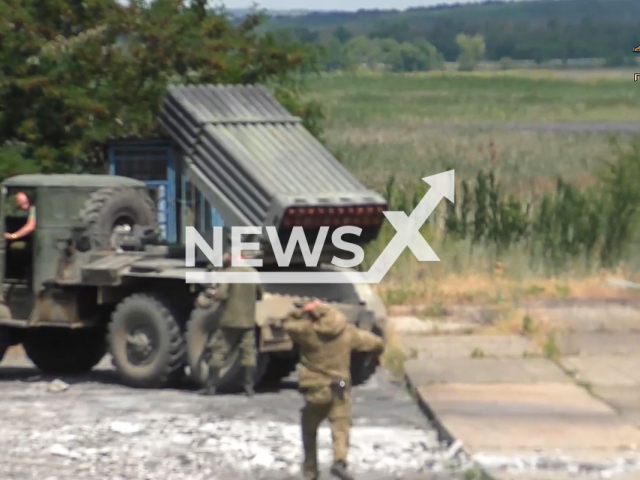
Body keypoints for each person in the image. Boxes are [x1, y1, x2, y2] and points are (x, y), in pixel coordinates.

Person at [282, 299, 385, 480]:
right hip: (340, 384)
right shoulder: (348, 333)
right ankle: (340, 461)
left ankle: (311, 469)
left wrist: (302, 311)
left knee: (309, 427)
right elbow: (377, 343)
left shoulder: (308, 332)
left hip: (316, 387)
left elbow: (287, 324)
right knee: (341, 423)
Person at [199, 251, 263, 397]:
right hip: (248, 321)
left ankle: (211, 387)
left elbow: (222, 295)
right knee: (249, 354)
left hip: (229, 321)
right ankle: (249, 389)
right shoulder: (253, 273)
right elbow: (260, 295)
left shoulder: (229, 273)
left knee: (219, 351)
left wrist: (212, 293)